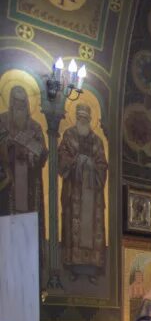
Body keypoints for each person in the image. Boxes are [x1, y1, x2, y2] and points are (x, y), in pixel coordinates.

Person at [58, 104, 107, 282]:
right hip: (75, 193)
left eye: (86, 118)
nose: (83, 120)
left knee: (92, 231)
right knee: (74, 229)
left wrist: (92, 165)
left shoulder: (97, 141)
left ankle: (92, 271)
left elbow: (102, 164)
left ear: (90, 119)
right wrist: (77, 161)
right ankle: (73, 268)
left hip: (93, 197)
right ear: (76, 118)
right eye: (80, 117)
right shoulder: (69, 136)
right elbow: (62, 158)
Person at [0, 85, 48, 217]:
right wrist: (8, 145)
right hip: (8, 183)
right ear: (11, 101)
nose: (19, 105)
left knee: (28, 220)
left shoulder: (35, 127)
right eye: (16, 101)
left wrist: (32, 154)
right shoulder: (2, 121)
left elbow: (43, 153)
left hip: (30, 182)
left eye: (22, 102)